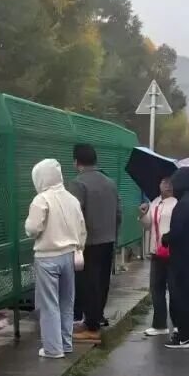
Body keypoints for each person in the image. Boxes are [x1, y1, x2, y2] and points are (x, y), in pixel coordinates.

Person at [24, 159, 87, 359]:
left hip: (47, 257)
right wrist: (79, 247)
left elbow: (32, 229)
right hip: (70, 255)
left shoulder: (41, 200)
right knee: (67, 302)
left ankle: (53, 348)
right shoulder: (72, 199)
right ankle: (66, 343)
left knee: (49, 304)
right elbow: (82, 229)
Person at [68, 143, 122, 342]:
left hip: (88, 242)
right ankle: (96, 318)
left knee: (87, 284)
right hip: (108, 239)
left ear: (76, 162)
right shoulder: (110, 183)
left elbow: (74, 215)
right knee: (102, 281)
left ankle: (91, 327)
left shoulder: (78, 184)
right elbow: (118, 212)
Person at [162, 167, 189, 349]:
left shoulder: (184, 205)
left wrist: (166, 238)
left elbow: (178, 232)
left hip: (182, 259)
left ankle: (184, 335)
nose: (172, 188)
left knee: (181, 296)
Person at [140, 176, 177, 337]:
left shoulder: (177, 203)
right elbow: (148, 225)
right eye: (163, 181)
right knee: (156, 288)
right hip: (156, 252)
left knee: (174, 289)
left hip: (172, 252)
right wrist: (143, 214)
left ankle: (177, 324)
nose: (166, 185)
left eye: (169, 182)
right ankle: (160, 324)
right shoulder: (155, 201)